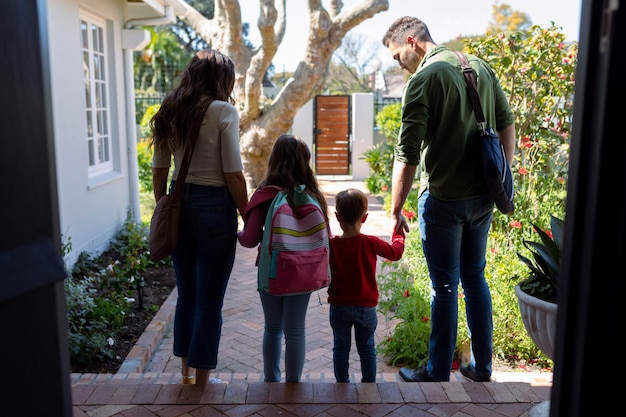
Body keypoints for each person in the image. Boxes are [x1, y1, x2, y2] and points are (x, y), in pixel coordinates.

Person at [381, 16, 516, 383]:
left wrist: (395, 210)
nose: (399, 64)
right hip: (483, 198)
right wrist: (504, 175)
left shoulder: (424, 79)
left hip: (443, 199)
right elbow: (506, 123)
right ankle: (483, 367)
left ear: (411, 41)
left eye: (397, 56)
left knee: (444, 286)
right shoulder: (480, 67)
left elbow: (406, 152)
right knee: (475, 278)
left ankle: (438, 369)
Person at [150, 49, 248, 385]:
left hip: (179, 200)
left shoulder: (171, 108)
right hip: (215, 206)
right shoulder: (223, 111)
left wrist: (164, 205)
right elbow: (233, 173)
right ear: (223, 79)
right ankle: (204, 378)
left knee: (187, 292)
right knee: (210, 297)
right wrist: (248, 214)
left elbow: (160, 169)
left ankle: (186, 374)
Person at [237, 134, 329, 382]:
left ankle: (271, 381)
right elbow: (326, 237)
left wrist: (238, 232)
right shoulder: (314, 195)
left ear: (274, 159)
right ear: (305, 162)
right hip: (304, 272)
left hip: (272, 271)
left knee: (272, 328)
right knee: (296, 330)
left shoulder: (265, 195)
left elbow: (249, 239)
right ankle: (294, 385)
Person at [328, 188, 405, 383]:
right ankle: (369, 384)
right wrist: (398, 234)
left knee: (340, 347)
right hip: (365, 307)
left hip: (339, 306)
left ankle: (342, 383)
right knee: (367, 348)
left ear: (338, 216)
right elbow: (395, 253)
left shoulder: (332, 245)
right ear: (365, 218)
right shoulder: (370, 243)